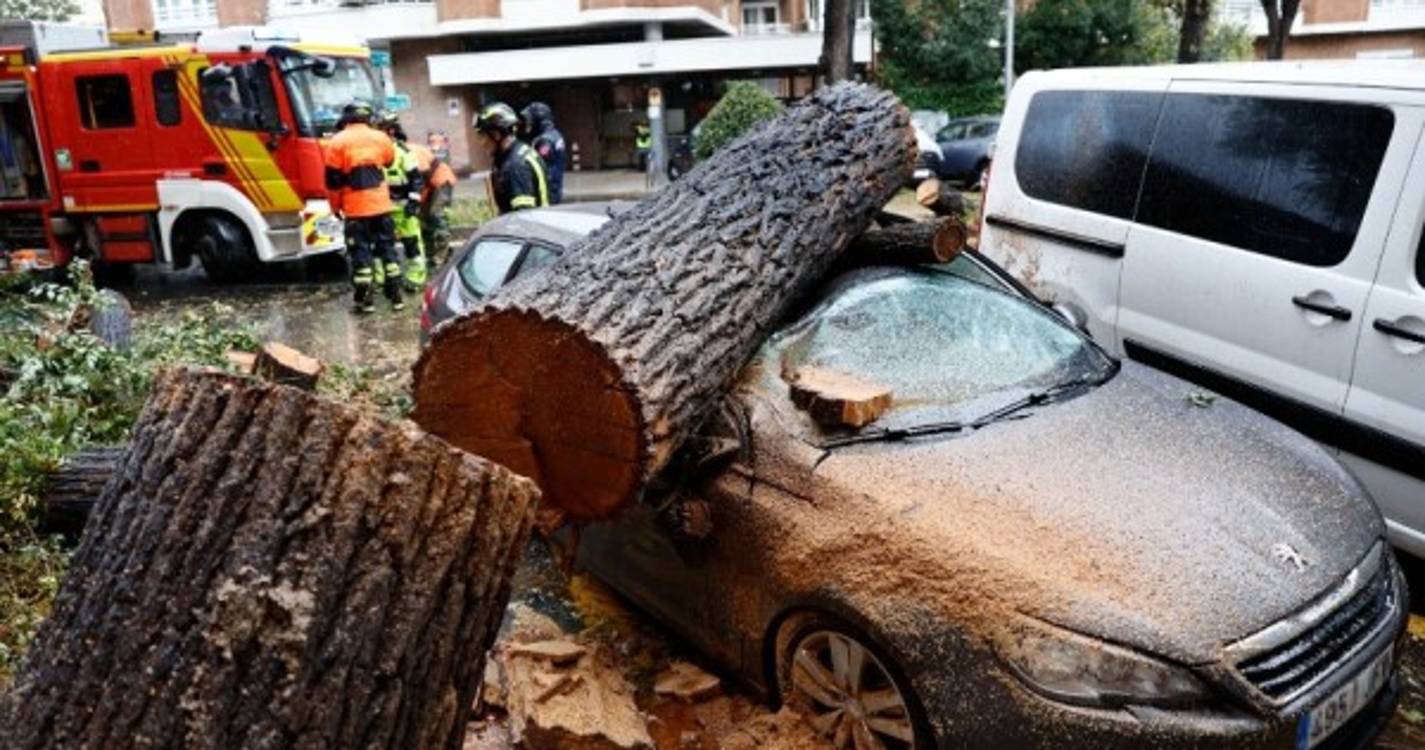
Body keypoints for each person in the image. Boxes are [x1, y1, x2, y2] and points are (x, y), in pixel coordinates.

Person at [324, 100, 402, 313]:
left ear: (346, 119)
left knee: (361, 255)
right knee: (388, 250)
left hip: (356, 210)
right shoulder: (381, 138)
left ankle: (365, 301)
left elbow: (333, 181)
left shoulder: (336, 142)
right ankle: (396, 297)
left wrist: (335, 207)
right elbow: (389, 162)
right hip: (382, 207)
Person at [376, 111, 427, 290]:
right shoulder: (373, 152)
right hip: (382, 208)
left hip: (404, 206)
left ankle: (415, 278)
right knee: (381, 245)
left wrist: (413, 202)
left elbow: (416, 179)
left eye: (380, 130)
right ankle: (384, 280)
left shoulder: (403, 152)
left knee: (411, 244)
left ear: (390, 131)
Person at [474, 102, 548, 214]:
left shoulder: (515, 167)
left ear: (496, 135)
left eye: (483, 136)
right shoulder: (521, 152)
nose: (481, 143)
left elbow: (523, 217)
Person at [409, 139, 457, 265]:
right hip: (427, 185)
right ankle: (430, 253)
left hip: (441, 180)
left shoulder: (411, 153)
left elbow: (420, 177)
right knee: (423, 220)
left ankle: (443, 254)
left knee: (436, 216)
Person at [520, 102, 565, 205]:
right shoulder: (556, 134)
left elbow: (540, 168)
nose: (529, 125)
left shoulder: (544, 141)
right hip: (556, 189)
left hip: (548, 193)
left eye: (531, 121)